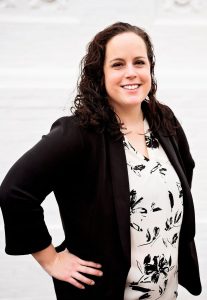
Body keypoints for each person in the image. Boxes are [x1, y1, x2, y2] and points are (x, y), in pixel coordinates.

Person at [0, 22, 202, 300]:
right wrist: (51, 259)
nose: (131, 73)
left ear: (150, 69)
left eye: (139, 62)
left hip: (166, 292)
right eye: (118, 64)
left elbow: (184, 172)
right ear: (100, 74)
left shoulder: (163, 119)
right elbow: (16, 191)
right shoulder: (79, 133)